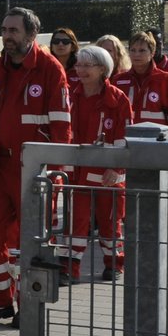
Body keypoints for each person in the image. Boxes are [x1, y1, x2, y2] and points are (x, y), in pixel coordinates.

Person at [0, 7, 72, 328]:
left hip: (34, 170)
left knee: (32, 240)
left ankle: (29, 302)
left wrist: (55, 174)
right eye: (4, 29)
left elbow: (61, 126)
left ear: (30, 35)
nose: (7, 36)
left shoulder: (50, 70)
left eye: (13, 30)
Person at [65, 45, 132, 281]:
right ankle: (69, 269)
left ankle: (114, 264)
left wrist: (117, 168)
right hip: (77, 173)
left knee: (110, 222)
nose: (80, 70)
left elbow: (125, 137)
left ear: (103, 69)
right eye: (78, 65)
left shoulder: (118, 99)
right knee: (75, 223)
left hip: (108, 175)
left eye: (86, 65)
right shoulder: (70, 95)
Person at [115, 30, 168, 135]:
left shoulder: (166, 80)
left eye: (142, 50)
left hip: (157, 143)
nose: (136, 54)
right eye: (133, 50)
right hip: (125, 140)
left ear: (152, 53)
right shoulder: (118, 80)